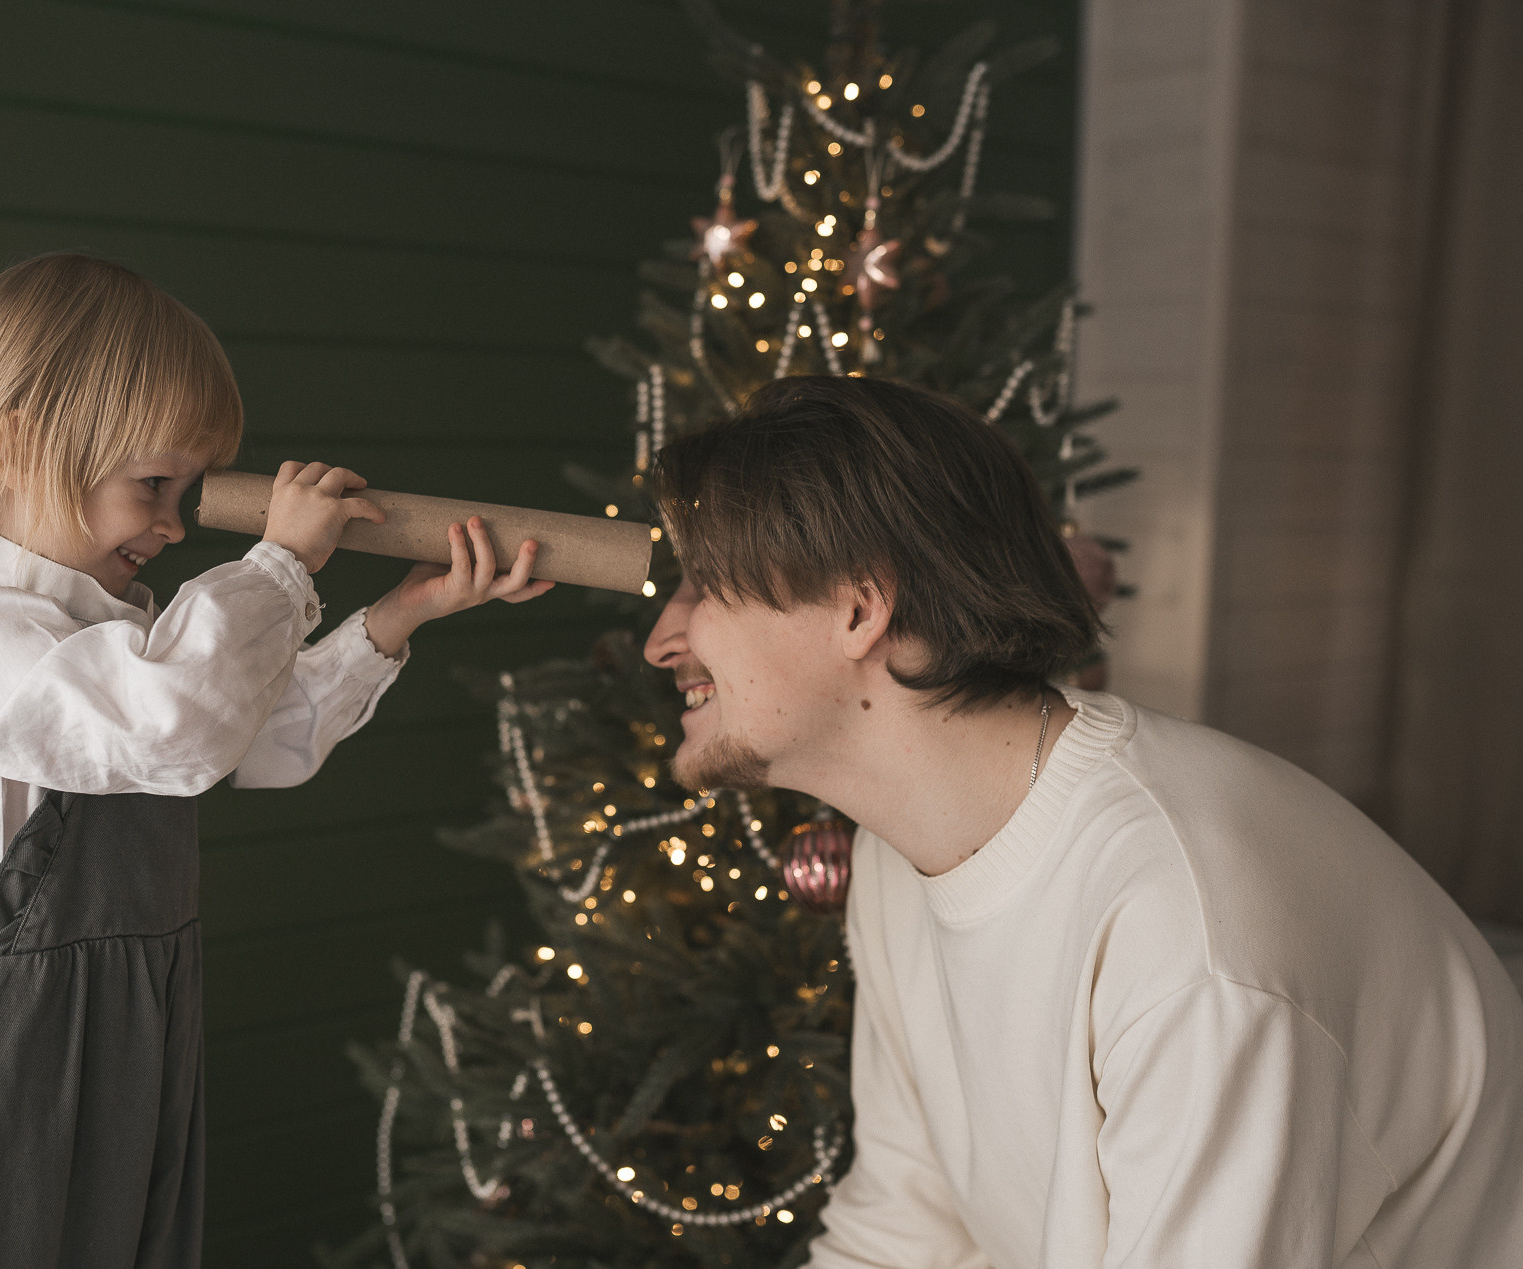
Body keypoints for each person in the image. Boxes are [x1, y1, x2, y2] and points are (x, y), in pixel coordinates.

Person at [641, 375, 1523, 1267]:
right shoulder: (896, 851)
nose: (662, 641)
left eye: (704, 586)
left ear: (860, 607)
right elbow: (904, 1239)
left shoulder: (1185, 922)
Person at [0, 252, 550, 1268]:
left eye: (188, 490)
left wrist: (400, 611)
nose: (175, 524)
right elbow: (175, 726)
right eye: (153, 485)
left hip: (139, 1007)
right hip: (10, 1045)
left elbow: (246, 736)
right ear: (20, 448)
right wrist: (280, 561)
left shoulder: (121, 641)